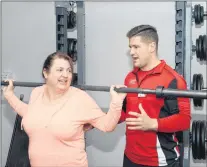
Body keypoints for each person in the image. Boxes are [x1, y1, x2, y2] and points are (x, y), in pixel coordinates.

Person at [2, 52, 127, 167]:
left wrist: (116, 101)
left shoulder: (79, 98)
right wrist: (9, 96)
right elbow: (32, 115)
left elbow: (107, 125)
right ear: (46, 73)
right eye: (60, 70)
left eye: (69, 71)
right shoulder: (37, 93)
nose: (66, 75)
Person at [118, 25, 191, 167]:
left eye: (136, 47)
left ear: (152, 47)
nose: (131, 52)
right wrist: (98, 120)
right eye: (130, 47)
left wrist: (154, 124)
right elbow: (125, 112)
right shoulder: (130, 77)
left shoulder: (173, 80)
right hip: (130, 158)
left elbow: (185, 120)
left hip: (160, 161)